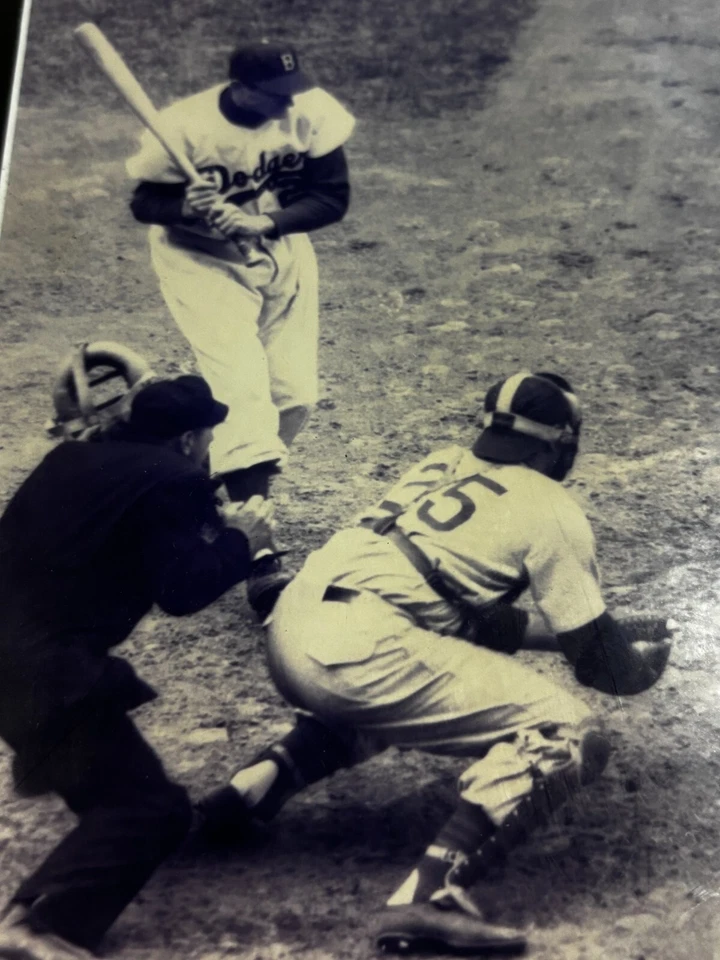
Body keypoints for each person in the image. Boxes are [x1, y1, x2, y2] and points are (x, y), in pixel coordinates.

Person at [198, 371, 673, 954]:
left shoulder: (442, 462)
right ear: (559, 443)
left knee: (421, 671)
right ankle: (425, 900)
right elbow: (602, 667)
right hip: (357, 654)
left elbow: (472, 619)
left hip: (296, 625)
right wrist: (635, 664)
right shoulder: (551, 506)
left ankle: (248, 791)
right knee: (569, 733)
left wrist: (608, 632)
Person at [0, 343, 277, 960]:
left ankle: (30, 910)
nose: (209, 449)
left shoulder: (72, 456)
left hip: (15, 656)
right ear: (188, 439)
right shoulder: (174, 479)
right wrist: (242, 540)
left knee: (116, 799)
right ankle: (40, 928)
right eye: (207, 438)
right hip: (45, 672)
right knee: (151, 809)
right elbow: (183, 591)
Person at [125, 42, 356, 615]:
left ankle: (194, 488)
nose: (287, 106)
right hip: (199, 261)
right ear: (241, 88)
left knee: (293, 395)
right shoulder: (184, 127)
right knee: (242, 389)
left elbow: (331, 197)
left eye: (291, 93)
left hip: (278, 251)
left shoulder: (308, 108)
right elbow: (145, 201)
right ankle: (259, 553)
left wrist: (263, 221)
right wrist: (188, 208)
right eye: (275, 97)